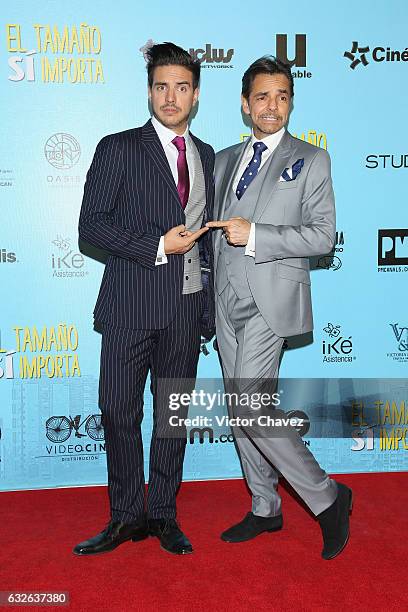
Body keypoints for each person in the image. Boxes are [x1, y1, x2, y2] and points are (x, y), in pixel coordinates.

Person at [207, 56, 352, 560]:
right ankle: (265, 507)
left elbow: (323, 237)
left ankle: (328, 497)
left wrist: (258, 236)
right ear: (245, 104)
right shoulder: (224, 159)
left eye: (283, 96)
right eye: (263, 97)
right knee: (240, 407)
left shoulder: (312, 159)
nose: (273, 106)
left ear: (292, 102)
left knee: (250, 406)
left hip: (272, 301)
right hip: (224, 304)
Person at [75, 42, 215, 556]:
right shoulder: (119, 147)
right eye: (161, 86)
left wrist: (207, 311)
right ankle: (126, 515)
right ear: (149, 90)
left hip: (184, 310)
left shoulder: (204, 155)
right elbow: (91, 226)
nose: (170, 96)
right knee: (116, 411)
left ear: (195, 94)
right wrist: (157, 245)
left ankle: (163, 514)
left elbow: (208, 243)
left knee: (172, 418)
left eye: (181, 87)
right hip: (130, 307)